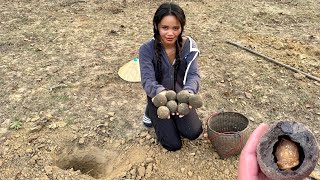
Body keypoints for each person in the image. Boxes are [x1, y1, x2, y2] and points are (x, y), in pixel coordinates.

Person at [139, 2, 203, 151]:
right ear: (156, 26)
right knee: (172, 145)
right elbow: (147, 79)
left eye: (176, 28)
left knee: (193, 133)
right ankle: (150, 110)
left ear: (181, 27)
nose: (170, 33)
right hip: (158, 96)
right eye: (165, 28)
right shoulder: (146, 50)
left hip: (180, 95)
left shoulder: (189, 46)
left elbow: (193, 74)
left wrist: (188, 93)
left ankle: (171, 115)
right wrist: (158, 94)